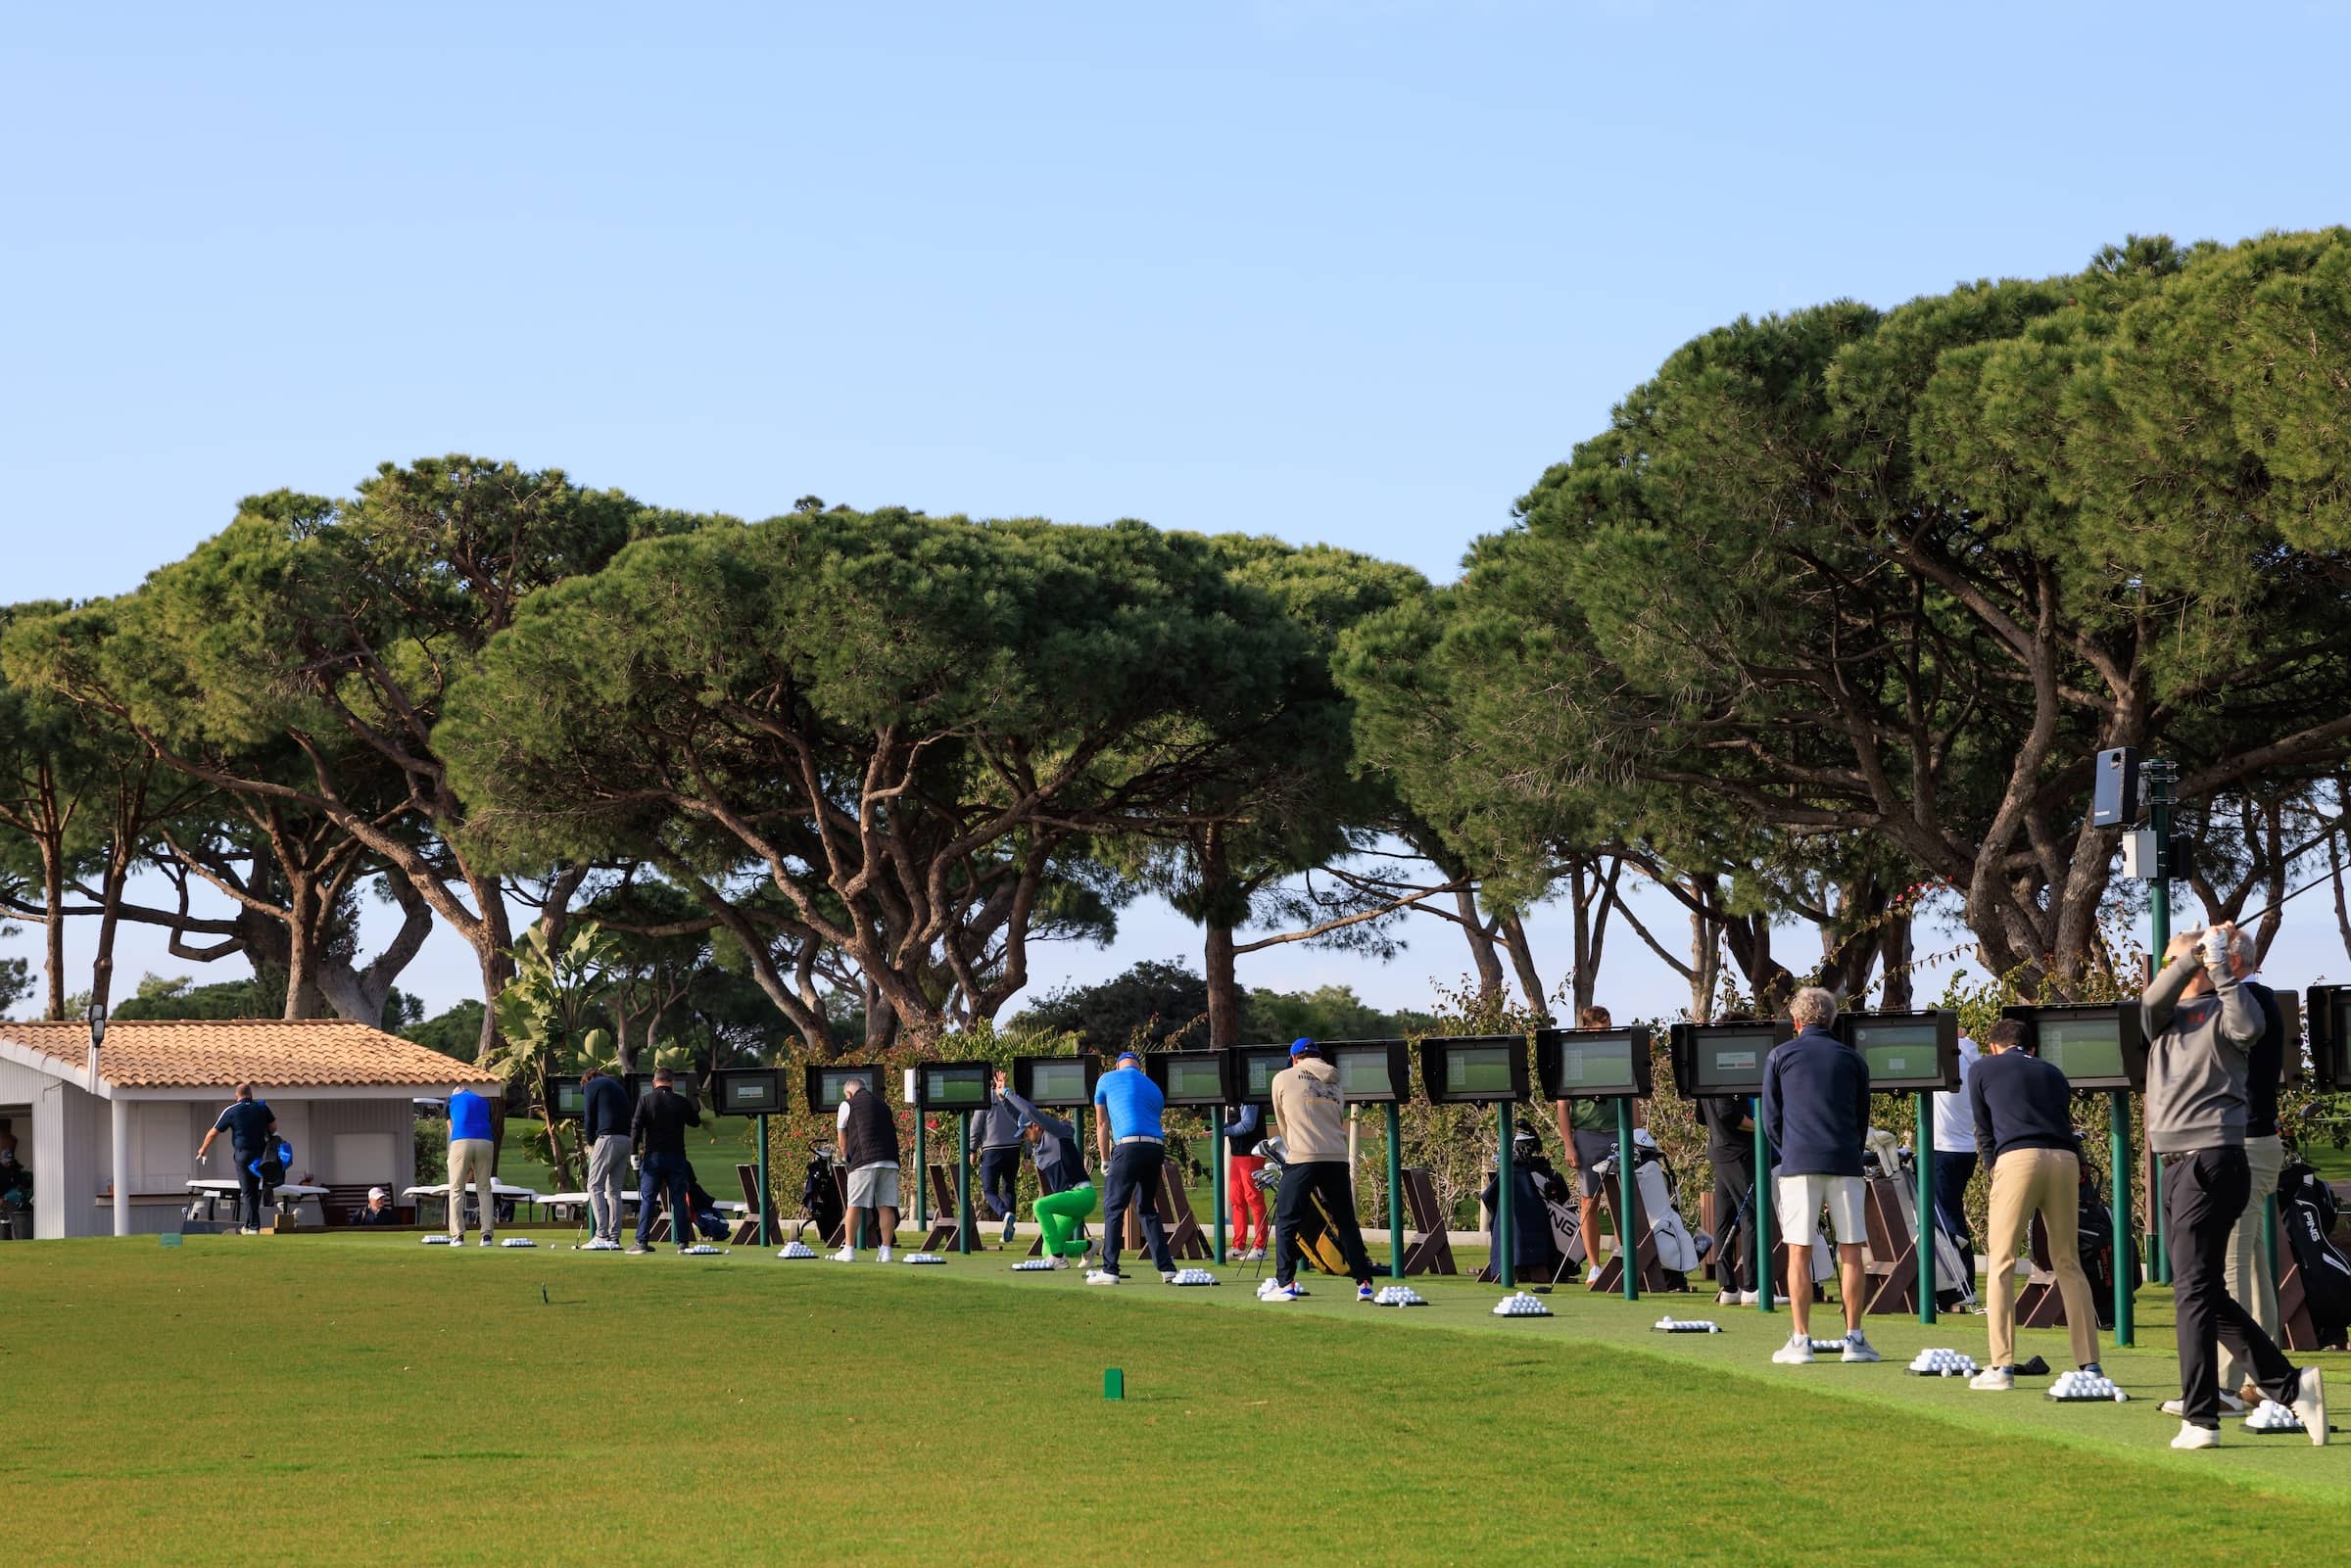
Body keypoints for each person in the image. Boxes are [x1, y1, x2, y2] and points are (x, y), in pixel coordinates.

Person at [2143, 923, 2325, 1449]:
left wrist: (2216, 964)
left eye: (2175, 961)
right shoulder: (2163, 1018)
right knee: (2201, 1289)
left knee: (2198, 1290)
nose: (2167, 971)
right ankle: (2289, 1385)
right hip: (2177, 1163)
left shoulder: (2232, 1008)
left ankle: (2202, 1416)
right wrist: (2187, 961)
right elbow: (2151, 1000)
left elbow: (2247, 1026)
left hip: (2215, 1157)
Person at [1965, 1019, 2102, 1390]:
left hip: (2019, 1159)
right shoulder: (2054, 1073)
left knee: (2003, 1260)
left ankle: (2001, 1366)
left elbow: (1985, 1128)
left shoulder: (1982, 1067)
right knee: (2068, 1261)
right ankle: (2090, 1365)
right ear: (2031, 1049)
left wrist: (1996, 1167)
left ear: (1994, 1046)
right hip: (2064, 1160)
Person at [1760, 987, 1879, 1364]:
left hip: (1799, 1163)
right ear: (1831, 1020)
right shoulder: (1852, 1060)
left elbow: (1771, 1120)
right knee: (1851, 1250)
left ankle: (1801, 1339)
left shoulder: (1780, 1055)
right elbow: (1862, 1118)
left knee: (1799, 1250)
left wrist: (1791, 1148)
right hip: (1845, 1160)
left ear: (1796, 1022)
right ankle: (1854, 1338)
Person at [2222, 931, 2288, 1409]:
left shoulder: (2252, 1001)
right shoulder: (2255, 998)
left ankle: (2224, 1383)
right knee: (2253, 1256)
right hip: (2255, 1142)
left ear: (2236, 961)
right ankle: (2268, 1373)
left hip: (2245, 1145)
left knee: (2233, 1261)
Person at [1263, 1037, 1379, 1304]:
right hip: (1337, 1156)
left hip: (1302, 1155)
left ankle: (1286, 1283)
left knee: (1287, 1220)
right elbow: (1337, 1118)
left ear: (1294, 1058)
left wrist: (1293, 1148)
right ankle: (1364, 1284)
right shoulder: (1335, 1080)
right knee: (1345, 1221)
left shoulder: (1283, 1077)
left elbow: (1282, 1121)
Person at [1555, 1004, 1643, 1283]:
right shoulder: (1574, 1058)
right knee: (1589, 1201)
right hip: (1587, 1136)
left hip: (1618, 1133)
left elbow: (1633, 1099)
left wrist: (1638, 1137)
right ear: (1588, 1029)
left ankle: (1622, 1259)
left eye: (1609, 1027)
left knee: (1622, 1201)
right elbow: (1562, 1106)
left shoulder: (1620, 1054)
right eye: (1601, 1029)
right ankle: (1594, 1265)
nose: (1607, 1033)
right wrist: (1569, 1145)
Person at [1089, 1051, 1178, 1284]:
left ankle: (1110, 1270)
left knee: (1114, 1207)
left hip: (1128, 1147)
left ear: (1118, 1065)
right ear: (1139, 1067)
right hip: (1155, 1148)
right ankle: (1167, 1268)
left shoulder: (1106, 1079)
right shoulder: (1153, 1086)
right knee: (1147, 1208)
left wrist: (1105, 1159)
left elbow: (1101, 1123)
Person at [1000, 1083, 1094, 1268]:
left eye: (1026, 1132)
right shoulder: (1038, 1144)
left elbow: (1029, 1111)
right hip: (1068, 1203)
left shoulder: (1055, 1132)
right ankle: (1090, 1246)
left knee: (1040, 1206)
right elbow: (1020, 1117)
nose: (1026, 1137)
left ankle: (1059, 1258)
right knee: (1046, 1250)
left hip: (1082, 1196)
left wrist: (1007, 1093)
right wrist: (1003, 1100)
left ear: (1036, 1126)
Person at [1929, 1030, 1983, 1287]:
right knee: (1952, 1214)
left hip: (1944, 1150)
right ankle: (1960, 1281)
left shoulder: (1947, 1059)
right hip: (1965, 1150)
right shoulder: (1974, 1061)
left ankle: (1961, 1284)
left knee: (1946, 1219)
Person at [629, 1067, 701, 1256]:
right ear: (672, 1082)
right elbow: (695, 1121)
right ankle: (683, 1243)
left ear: (654, 1082)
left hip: (653, 1157)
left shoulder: (645, 1100)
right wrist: (693, 1103)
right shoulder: (681, 1101)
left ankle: (642, 1241)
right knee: (678, 1199)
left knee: (648, 1199)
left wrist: (633, 1153)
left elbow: (636, 1128)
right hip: (676, 1156)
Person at [1697, 1091, 1757, 1306]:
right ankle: (1753, 1287)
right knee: (1752, 1216)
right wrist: (1761, 1127)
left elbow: (1701, 1117)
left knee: (1726, 1219)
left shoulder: (1706, 1079)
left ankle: (1729, 1287)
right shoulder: (1724, 1078)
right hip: (1736, 1153)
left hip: (1721, 1152)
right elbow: (1727, 1114)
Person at [831, 1074, 899, 1263]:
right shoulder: (883, 1106)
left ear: (849, 1092)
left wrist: (846, 1158)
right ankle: (886, 1251)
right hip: (890, 1160)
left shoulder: (847, 1104)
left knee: (854, 1205)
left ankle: (849, 1250)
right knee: (886, 1206)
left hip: (864, 1161)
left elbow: (842, 1139)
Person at [194, 1082, 277, 1234]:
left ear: (236, 1096)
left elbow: (213, 1132)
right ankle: (248, 1225)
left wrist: (203, 1149)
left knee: (247, 1191)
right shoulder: (262, 1107)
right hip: (261, 1155)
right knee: (254, 1190)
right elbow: (274, 1128)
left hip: (243, 1155)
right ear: (251, 1094)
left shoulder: (231, 1110)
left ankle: (253, 1227)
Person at [580, 1066, 633, 1247]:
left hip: (608, 1138)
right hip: (626, 1139)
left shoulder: (591, 1086)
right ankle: (614, 1237)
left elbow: (589, 1116)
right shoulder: (615, 1085)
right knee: (614, 1190)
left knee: (594, 1185)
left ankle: (601, 1234)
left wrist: (590, 1141)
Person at [975, 1069, 1026, 1246]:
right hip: (1013, 1148)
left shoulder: (986, 1099)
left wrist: (972, 1149)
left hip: (992, 1149)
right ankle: (1008, 1230)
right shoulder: (1012, 1097)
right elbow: (1023, 1121)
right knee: (1009, 1187)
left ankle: (1005, 1214)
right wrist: (1025, 1150)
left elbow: (976, 1127)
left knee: (989, 1190)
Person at [445, 1082, 499, 1246]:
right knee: (484, 1189)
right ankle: (487, 1236)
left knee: (456, 1189)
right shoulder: (483, 1101)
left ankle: (458, 1236)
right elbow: (487, 1120)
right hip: (485, 1141)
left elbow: (451, 1128)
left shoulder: (450, 1100)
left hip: (462, 1140)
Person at [1222, 1101, 1271, 1260]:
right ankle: (1238, 1246)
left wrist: (1223, 1130)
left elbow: (1248, 1125)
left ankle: (1260, 1247)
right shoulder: (1232, 1099)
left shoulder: (1249, 1099)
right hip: (1238, 1153)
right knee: (1236, 1199)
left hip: (1251, 1154)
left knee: (1254, 1198)